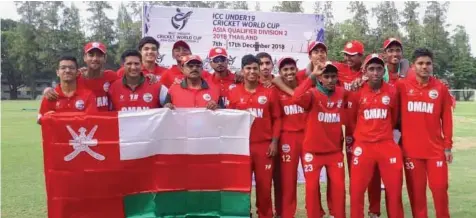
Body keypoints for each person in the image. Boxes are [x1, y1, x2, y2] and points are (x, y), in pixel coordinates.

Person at [396, 48, 453, 218]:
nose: (424, 67)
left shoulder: (440, 88)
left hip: (435, 151)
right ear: (413, 66)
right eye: (420, 63)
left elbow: (447, 120)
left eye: (428, 63)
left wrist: (448, 146)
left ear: (432, 66)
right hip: (411, 153)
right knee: (417, 196)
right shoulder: (402, 86)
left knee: (440, 190)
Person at [349, 54, 403, 218]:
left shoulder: (392, 91)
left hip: (386, 145)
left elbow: (394, 118)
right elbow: (351, 119)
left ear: (383, 70)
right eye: (371, 69)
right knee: (357, 191)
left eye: (379, 68)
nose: (375, 72)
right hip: (363, 146)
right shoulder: (357, 91)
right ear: (364, 71)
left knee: (394, 190)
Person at [227, 54, 282, 218]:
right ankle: (244, 213)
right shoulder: (234, 93)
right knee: (242, 186)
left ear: (259, 71)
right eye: (248, 68)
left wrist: (274, 142)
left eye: (255, 68)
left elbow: (278, 118)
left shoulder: (269, 92)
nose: (252, 71)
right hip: (242, 147)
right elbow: (228, 120)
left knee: (264, 187)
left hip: (264, 147)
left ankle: (265, 214)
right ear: (242, 70)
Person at [292, 61, 347, 218]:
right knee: (311, 189)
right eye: (326, 76)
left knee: (338, 187)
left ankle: (338, 215)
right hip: (312, 152)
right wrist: (312, 76)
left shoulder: (342, 93)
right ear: (320, 78)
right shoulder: (311, 94)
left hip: (334, 152)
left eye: (333, 76)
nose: (330, 80)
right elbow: (296, 98)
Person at [272, 57, 309, 218]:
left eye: (292, 68)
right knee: (288, 181)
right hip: (288, 138)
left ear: (296, 69)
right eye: (285, 70)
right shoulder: (275, 90)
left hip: (308, 136)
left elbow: (311, 69)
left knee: (311, 178)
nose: (289, 72)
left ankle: (316, 211)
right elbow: (277, 117)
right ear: (280, 73)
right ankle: (288, 214)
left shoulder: (304, 82)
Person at [42, 42, 119, 111]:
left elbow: (126, 86)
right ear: (85, 58)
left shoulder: (111, 76)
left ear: (105, 58)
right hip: (84, 124)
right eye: (91, 55)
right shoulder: (76, 77)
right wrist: (47, 90)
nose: (95, 59)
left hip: (105, 123)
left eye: (99, 55)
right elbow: (62, 88)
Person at [38, 56, 97, 124]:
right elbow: (40, 120)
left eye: (71, 68)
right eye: (63, 68)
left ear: (77, 72)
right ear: (57, 72)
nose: (67, 71)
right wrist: (47, 117)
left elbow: (93, 121)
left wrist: (57, 117)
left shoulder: (88, 95)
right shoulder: (50, 95)